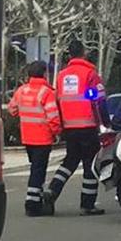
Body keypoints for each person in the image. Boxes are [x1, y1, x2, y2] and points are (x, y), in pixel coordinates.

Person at [43, 40, 111, 216]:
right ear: (84, 53)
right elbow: (99, 100)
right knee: (90, 165)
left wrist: (61, 125)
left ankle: (52, 190)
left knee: (70, 162)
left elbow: (58, 100)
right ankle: (87, 204)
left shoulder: (62, 76)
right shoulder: (90, 74)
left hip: (69, 127)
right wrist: (106, 123)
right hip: (87, 126)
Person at [7, 61, 62, 217]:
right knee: (38, 171)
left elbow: (12, 109)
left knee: (35, 169)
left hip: (27, 138)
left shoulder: (21, 91)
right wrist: (57, 132)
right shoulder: (46, 92)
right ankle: (32, 204)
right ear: (44, 74)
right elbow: (53, 116)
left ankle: (35, 199)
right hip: (42, 138)